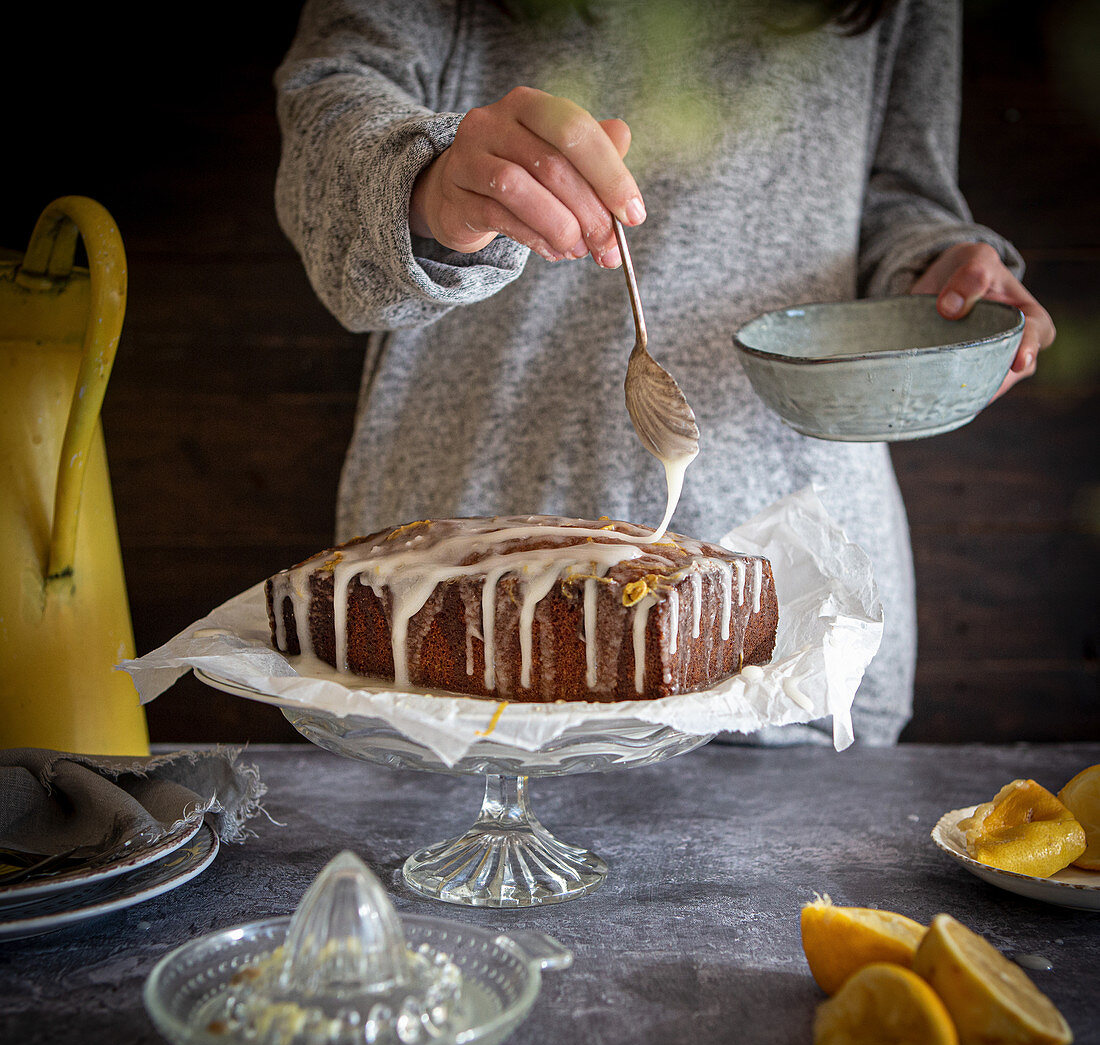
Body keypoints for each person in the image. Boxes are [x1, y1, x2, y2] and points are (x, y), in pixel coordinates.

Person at [273, 0, 1055, 745]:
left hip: (793, 621)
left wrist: (934, 271)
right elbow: (327, 109)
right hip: (450, 600)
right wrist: (430, 181)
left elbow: (900, 192)